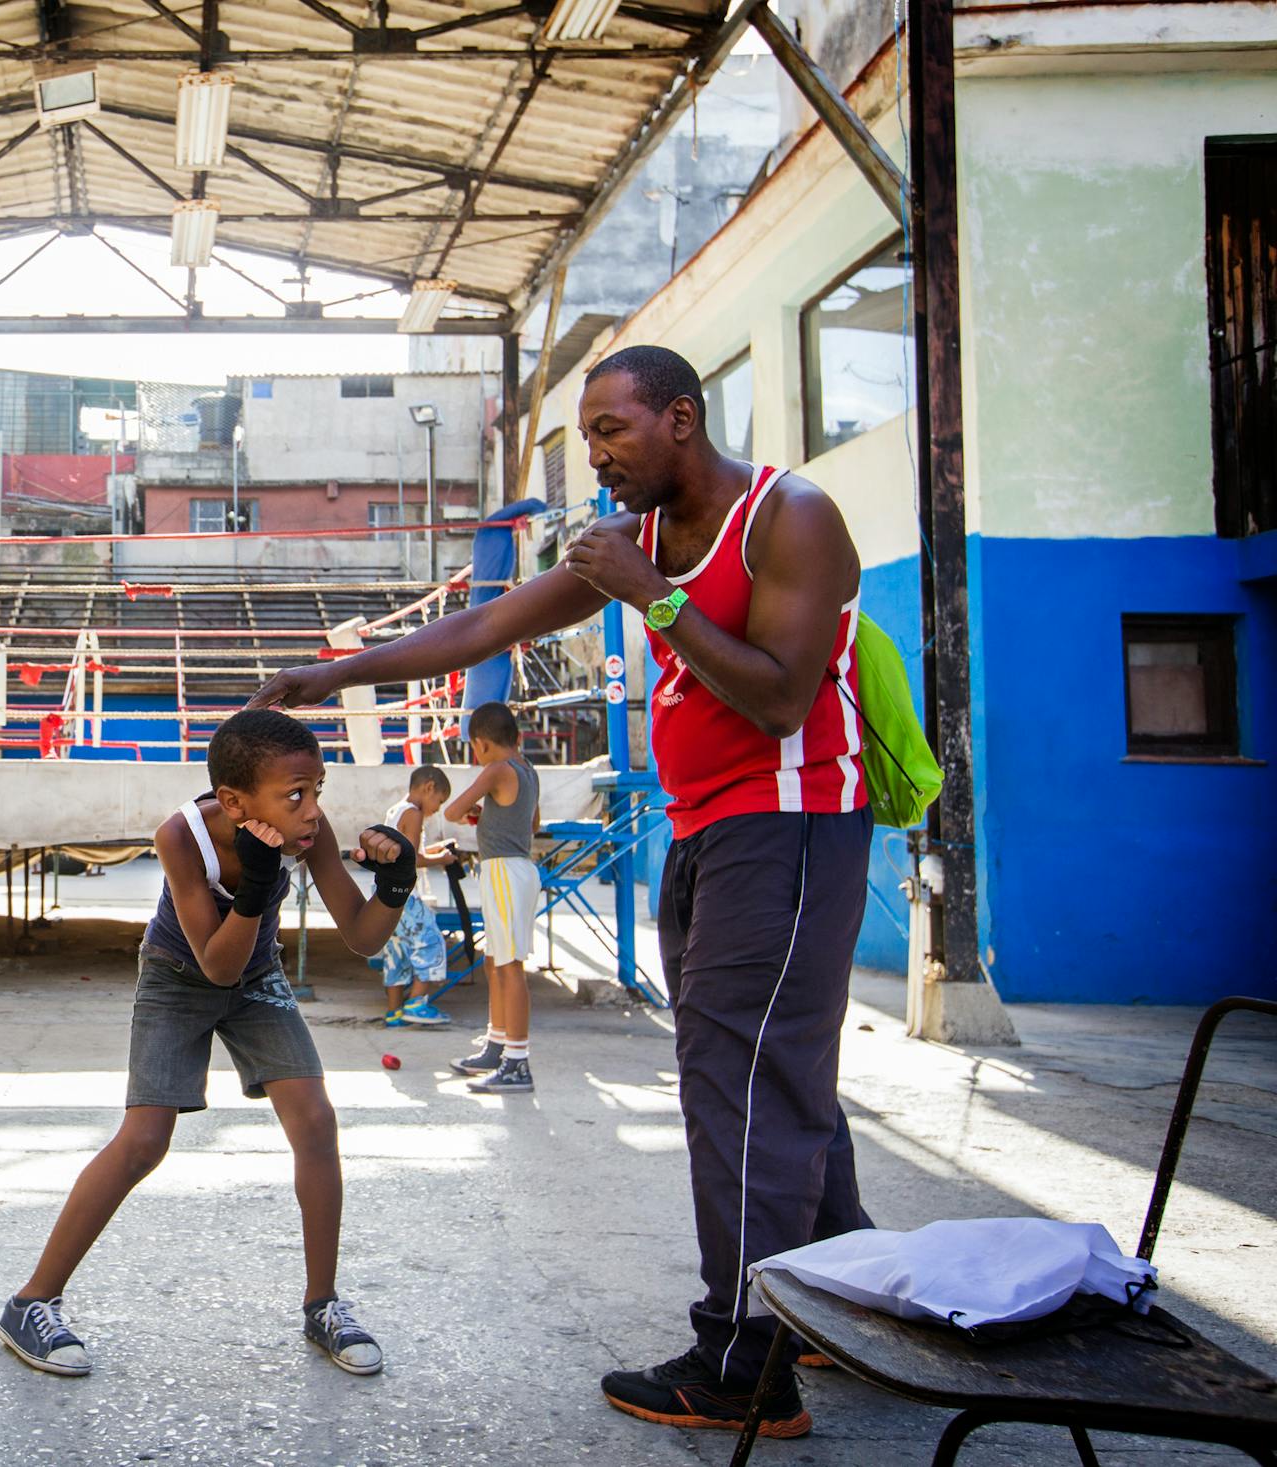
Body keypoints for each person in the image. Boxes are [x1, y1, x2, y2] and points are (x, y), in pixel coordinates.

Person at [248, 345, 875, 1439]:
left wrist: (654, 599)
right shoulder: (636, 543)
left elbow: (780, 699)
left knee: (742, 1084)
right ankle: (831, 1297)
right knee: (769, 1072)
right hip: (712, 830)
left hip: (792, 829)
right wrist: (337, 673)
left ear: (681, 419)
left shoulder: (792, 516)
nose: (596, 453)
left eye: (612, 429)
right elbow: (484, 627)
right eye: (587, 435)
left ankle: (746, 1363)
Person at [0, 708, 419, 1379]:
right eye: (295, 796)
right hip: (178, 976)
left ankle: (322, 1304)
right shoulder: (181, 836)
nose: (312, 811)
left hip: (256, 976)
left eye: (318, 791)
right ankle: (30, 1300)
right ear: (234, 801)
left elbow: (363, 936)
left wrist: (396, 882)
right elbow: (214, 964)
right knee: (144, 1140)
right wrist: (255, 885)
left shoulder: (308, 831)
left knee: (315, 1120)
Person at [441, 703, 541, 1094]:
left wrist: (477, 808)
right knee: (495, 961)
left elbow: (451, 811)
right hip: (518, 869)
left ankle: (517, 1061)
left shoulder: (497, 770)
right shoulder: (527, 771)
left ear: (480, 743)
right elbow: (531, 821)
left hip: (503, 871)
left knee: (509, 966)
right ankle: (497, 1044)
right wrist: (491, 814)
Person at [376, 763, 460, 1028]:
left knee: (396, 949)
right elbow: (413, 859)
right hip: (406, 896)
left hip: (385, 894)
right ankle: (416, 1003)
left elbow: (406, 850)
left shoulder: (396, 810)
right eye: (439, 801)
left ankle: (393, 1013)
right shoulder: (413, 814)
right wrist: (443, 858)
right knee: (431, 941)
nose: (438, 809)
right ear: (429, 788)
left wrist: (435, 850)